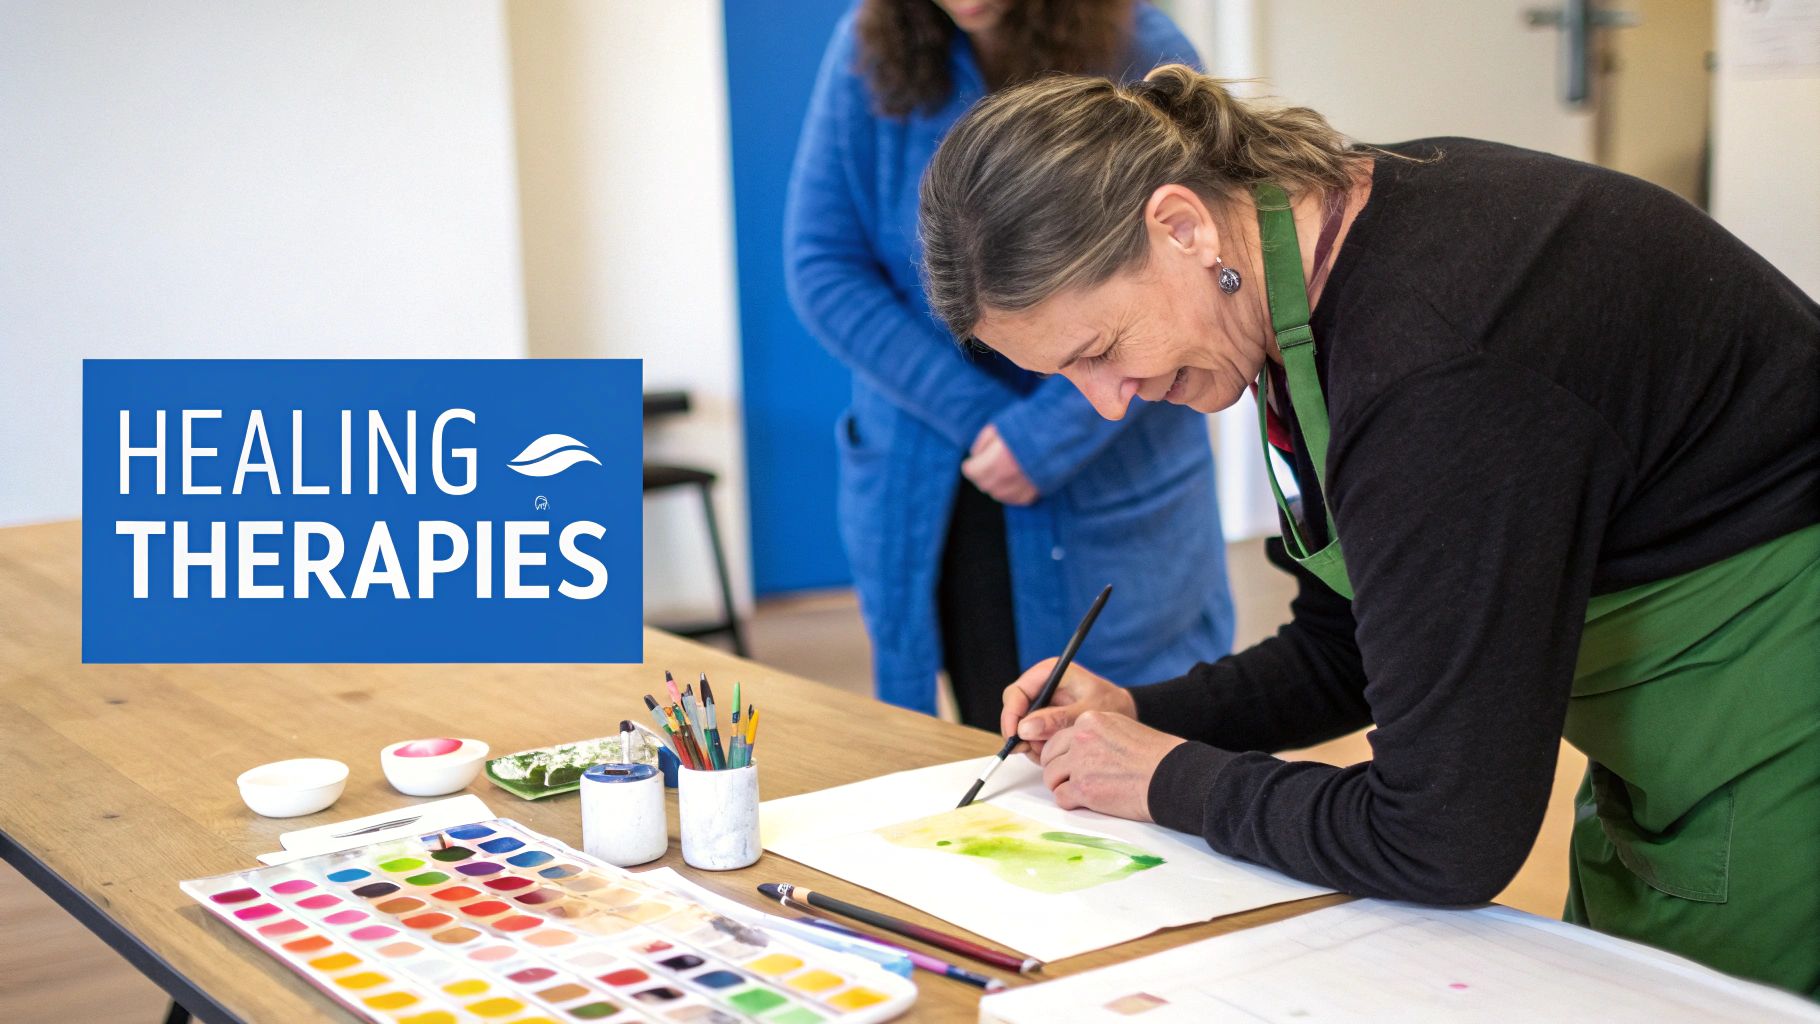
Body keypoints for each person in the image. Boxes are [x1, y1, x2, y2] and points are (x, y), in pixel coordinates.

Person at [917, 64, 1820, 994]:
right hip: (1673, 739)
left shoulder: (1427, 367)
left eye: (1100, 351)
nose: (1108, 406)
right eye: (1066, 377)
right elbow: (1348, 646)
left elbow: (1444, 835)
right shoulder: (1304, 288)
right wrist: (1142, 718)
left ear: (1180, 226)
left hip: (1783, 717)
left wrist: (1172, 781)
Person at [783, 1, 1236, 727]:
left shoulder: (1142, 43)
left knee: (1138, 725)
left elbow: (1191, 274)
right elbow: (821, 266)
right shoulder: (866, 51)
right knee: (985, 728)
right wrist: (983, 420)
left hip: (1105, 474)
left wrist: (1048, 432)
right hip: (937, 471)